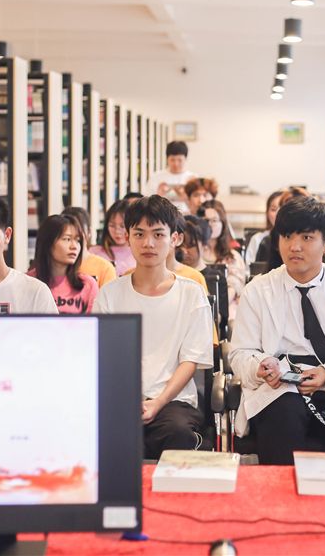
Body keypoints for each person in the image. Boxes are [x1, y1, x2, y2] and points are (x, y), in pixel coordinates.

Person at [228, 197, 325, 465]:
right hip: (277, 391)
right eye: (287, 236)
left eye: (306, 237)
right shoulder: (258, 291)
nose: (294, 246)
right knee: (285, 415)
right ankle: (283, 492)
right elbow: (240, 353)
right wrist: (260, 366)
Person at [94, 195, 214, 458]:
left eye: (158, 234)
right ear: (128, 237)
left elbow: (190, 361)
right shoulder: (110, 294)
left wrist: (158, 402)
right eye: (139, 234)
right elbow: (105, 357)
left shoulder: (191, 293)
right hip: (122, 398)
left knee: (178, 433)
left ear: (175, 239)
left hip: (174, 400)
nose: (148, 243)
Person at [29, 214, 99, 314]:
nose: (74, 246)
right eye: (67, 239)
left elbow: (94, 322)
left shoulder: (87, 284)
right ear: (48, 243)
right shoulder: (27, 283)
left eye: (78, 240)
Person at [198, 199, 247, 321]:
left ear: (223, 224)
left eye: (214, 220)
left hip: (227, 307)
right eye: (205, 220)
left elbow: (234, 286)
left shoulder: (232, 256)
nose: (209, 225)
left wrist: (217, 310)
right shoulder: (194, 255)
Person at [62, 206, 117, 288]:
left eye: (78, 233)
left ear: (89, 232)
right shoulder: (55, 266)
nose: (73, 242)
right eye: (67, 237)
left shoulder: (105, 268)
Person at [145, 140, 196, 213]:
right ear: (167, 159)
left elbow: (197, 206)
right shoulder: (156, 177)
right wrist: (159, 195)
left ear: (185, 159)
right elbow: (146, 202)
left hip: (186, 215)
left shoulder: (192, 178)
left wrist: (185, 197)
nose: (176, 164)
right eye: (172, 160)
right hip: (161, 215)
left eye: (180, 160)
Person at [90, 199, 136, 276]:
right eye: (112, 226)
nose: (117, 231)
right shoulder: (94, 252)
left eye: (122, 226)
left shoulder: (139, 253)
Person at [245, 190, 283, 265]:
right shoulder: (257, 239)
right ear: (267, 213)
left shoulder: (293, 240)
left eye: (282, 208)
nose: (278, 213)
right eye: (273, 209)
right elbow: (249, 268)